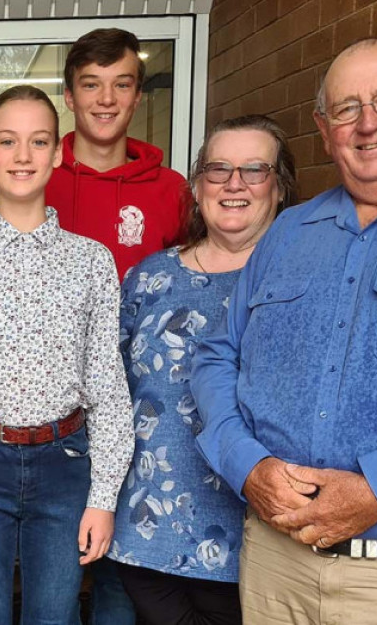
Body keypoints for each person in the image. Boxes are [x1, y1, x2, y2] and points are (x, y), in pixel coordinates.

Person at [193, 37, 377, 623]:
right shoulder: (288, 233)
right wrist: (245, 464)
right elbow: (217, 355)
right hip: (275, 568)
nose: (367, 124)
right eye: (345, 108)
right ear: (322, 125)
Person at [0, 85, 134, 625]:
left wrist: (103, 497)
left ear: (58, 153)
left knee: (54, 614)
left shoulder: (91, 261)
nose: (23, 156)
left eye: (38, 142)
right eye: (8, 142)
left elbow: (107, 386)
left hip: (64, 463)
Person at [106, 115, 296, 625]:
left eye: (255, 170)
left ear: (279, 188)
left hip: (260, 542)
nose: (234, 184)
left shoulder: (299, 282)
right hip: (146, 538)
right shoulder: (150, 278)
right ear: (196, 185)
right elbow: (109, 390)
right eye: (218, 169)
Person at [47, 28, 188, 281]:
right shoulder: (38, 182)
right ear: (70, 97)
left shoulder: (173, 189)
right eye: (91, 85)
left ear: (136, 98)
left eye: (122, 85)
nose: (107, 99)